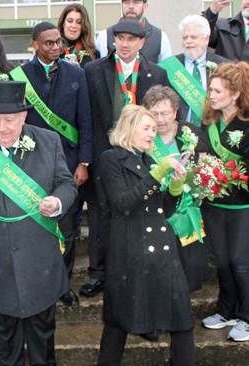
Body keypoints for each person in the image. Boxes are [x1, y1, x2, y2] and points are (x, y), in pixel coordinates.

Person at [0, 81, 78, 366]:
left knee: (44, 345)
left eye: (9, 120)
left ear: (24, 117)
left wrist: (56, 202)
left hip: (39, 261)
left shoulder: (48, 141)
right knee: (6, 347)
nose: (2, 128)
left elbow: (67, 184)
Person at [97, 104, 195, 366]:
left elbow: (163, 209)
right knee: (119, 323)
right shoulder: (111, 158)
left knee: (182, 319)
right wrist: (157, 174)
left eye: (154, 128)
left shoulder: (149, 160)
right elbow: (123, 203)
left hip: (162, 252)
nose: (153, 133)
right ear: (129, 129)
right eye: (147, 128)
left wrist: (175, 185)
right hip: (130, 251)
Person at [82, 20, 169, 298]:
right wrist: (85, 160)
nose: (125, 43)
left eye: (132, 39)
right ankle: (98, 274)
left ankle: (133, 273)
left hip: (139, 157)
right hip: (102, 155)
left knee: (135, 215)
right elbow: (86, 118)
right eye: (120, 38)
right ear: (113, 41)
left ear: (142, 43)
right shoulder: (93, 70)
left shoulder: (157, 73)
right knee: (99, 216)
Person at [10, 22, 93, 307]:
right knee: (35, 230)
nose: (56, 47)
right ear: (35, 45)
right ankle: (37, 284)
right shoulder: (18, 76)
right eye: (48, 43)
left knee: (68, 229)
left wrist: (84, 162)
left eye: (59, 42)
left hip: (68, 166)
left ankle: (63, 285)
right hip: (31, 164)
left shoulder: (76, 74)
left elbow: (85, 120)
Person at [143, 85, 211, 294]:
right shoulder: (142, 136)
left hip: (188, 212)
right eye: (154, 114)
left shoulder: (190, 132)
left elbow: (206, 164)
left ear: (176, 111)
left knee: (187, 276)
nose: (160, 119)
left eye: (165, 113)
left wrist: (201, 188)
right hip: (157, 213)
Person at [200, 62, 249, 342]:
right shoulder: (210, 122)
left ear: (236, 94)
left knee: (240, 263)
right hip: (215, 204)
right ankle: (227, 310)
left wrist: (226, 173)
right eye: (210, 89)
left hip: (243, 206)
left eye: (218, 91)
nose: (212, 95)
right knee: (221, 261)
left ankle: (246, 316)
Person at [159, 15, 231, 126]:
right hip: (178, 132)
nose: (188, 41)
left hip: (214, 131)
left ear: (206, 39)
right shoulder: (168, 67)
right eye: (185, 37)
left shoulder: (224, 66)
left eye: (193, 37)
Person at [95, 0, 172, 64]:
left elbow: (167, 74)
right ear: (121, 5)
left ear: (145, 6)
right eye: (126, 2)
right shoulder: (105, 36)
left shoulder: (160, 37)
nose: (131, 6)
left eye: (136, 2)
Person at [57, 3, 100, 68]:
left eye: (78, 22)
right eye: (70, 21)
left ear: (83, 26)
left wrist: (78, 71)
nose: (74, 25)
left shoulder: (93, 53)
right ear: (63, 23)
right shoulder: (54, 50)